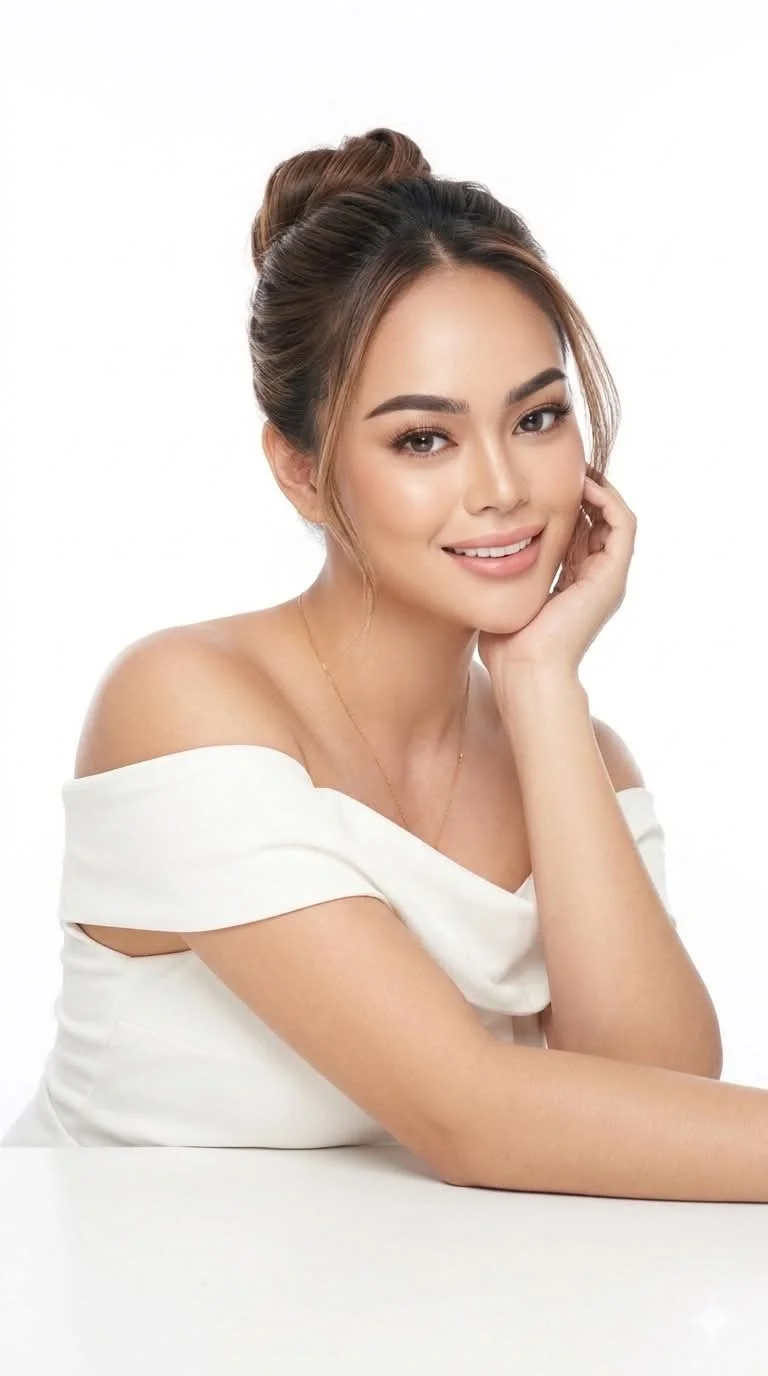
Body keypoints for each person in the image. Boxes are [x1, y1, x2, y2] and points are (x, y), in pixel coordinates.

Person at [4, 127, 768, 1204]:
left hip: (422, 1300)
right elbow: (473, 1116)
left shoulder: (578, 757)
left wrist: (542, 685)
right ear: (301, 470)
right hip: (99, 1290)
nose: (502, 487)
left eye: (538, 418)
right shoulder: (181, 702)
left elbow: (655, 1108)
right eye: (423, 439)